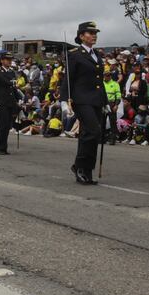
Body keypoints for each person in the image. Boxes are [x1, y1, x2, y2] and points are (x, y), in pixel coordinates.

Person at [63, 21, 106, 184]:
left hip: (96, 100)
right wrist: (64, 101)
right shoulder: (74, 54)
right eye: (90, 32)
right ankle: (80, 166)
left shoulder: (97, 55)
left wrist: (106, 100)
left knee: (90, 134)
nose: (94, 35)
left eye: (95, 33)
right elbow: (68, 79)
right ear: (81, 36)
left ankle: (86, 170)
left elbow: (99, 81)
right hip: (81, 99)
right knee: (93, 131)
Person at [0, 51, 18, 155]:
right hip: (2, 102)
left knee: (7, 126)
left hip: (10, 101)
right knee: (2, 125)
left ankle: (4, 147)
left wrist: (18, 98)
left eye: (10, 59)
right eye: (7, 59)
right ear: (2, 61)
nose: (9, 61)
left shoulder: (11, 72)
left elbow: (13, 88)